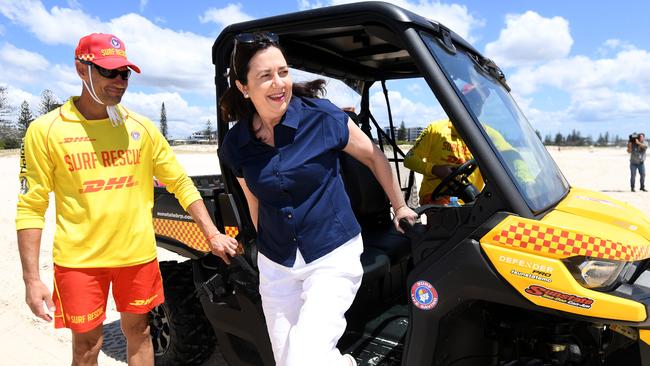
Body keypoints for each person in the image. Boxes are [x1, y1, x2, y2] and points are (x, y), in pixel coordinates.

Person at [16, 33, 238, 366]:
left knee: (141, 332)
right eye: (109, 72)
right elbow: (31, 207)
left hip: (137, 256)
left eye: (125, 73)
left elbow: (179, 181)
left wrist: (211, 233)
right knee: (88, 345)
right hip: (79, 262)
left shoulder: (142, 128)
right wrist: (32, 280)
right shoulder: (46, 130)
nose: (119, 82)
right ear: (81, 69)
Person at [218, 32, 417, 366]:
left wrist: (400, 206)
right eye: (265, 76)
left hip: (332, 253)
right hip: (276, 264)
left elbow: (373, 156)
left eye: (283, 72)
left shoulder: (321, 117)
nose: (279, 83)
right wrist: (263, 249)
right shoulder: (236, 144)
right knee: (286, 360)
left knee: (304, 359)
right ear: (243, 87)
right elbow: (255, 202)